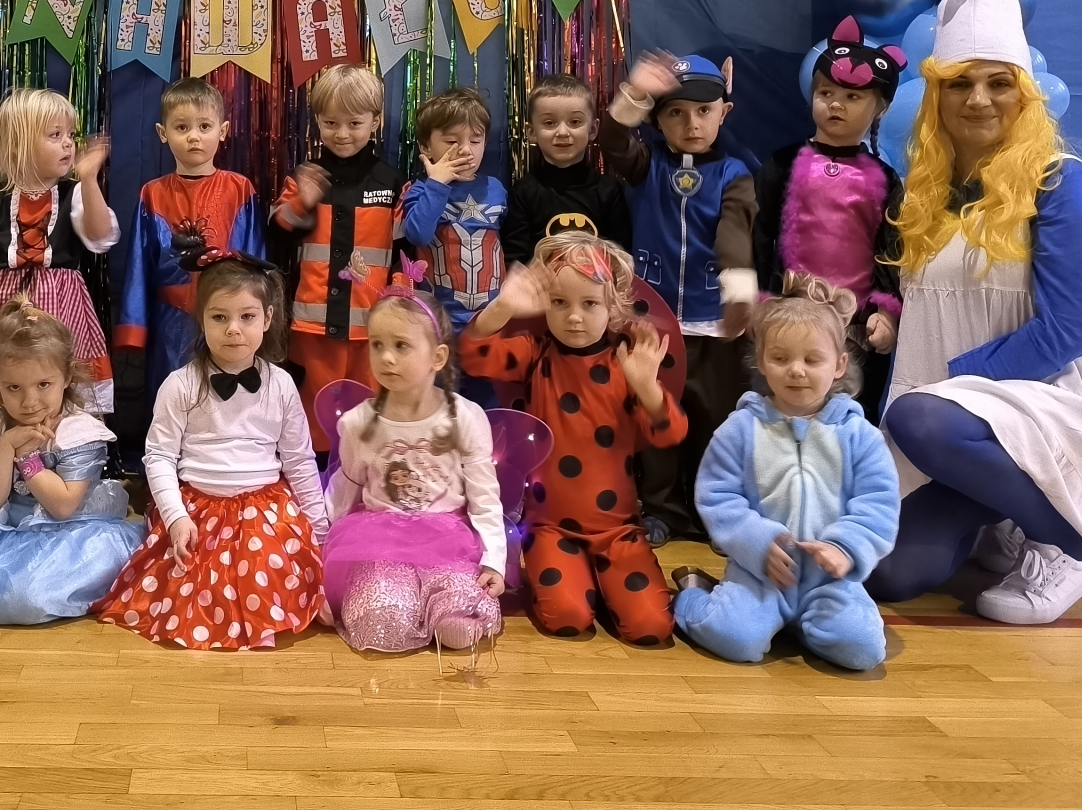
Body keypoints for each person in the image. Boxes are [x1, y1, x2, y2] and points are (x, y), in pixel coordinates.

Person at [869, 0, 1082, 625]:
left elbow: (1068, 331)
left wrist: (951, 386)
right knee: (890, 574)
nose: (978, 99)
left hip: (1054, 406)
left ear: (1025, 94)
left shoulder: (1064, 187)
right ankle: (1002, 513)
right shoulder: (926, 194)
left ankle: (1068, 545)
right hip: (958, 421)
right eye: (959, 83)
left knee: (918, 417)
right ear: (936, 95)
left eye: (998, 83)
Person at [93, 253, 327, 650]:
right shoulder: (180, 385)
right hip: (197, 509)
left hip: (266, 509)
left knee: (266, 568)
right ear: (200, 319)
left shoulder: (282, 385)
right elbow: (159, 457)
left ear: (268, 318)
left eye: (247, 317)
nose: (233, 329)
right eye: (219, 317)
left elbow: (300, 460)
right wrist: (176, 518)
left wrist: (320, 531)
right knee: (188, 582)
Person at [672, 275, 899, 671]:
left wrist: (846, 548)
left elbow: (879, 504)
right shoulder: (740, 429)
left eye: (812, 360)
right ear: (761, 362)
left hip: (830, 582)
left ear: (839, 365)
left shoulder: (859, 435)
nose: (796, 371)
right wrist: (757, 542)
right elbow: (716, 496)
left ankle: (805, 624)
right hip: (760, 575)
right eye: (781, 358)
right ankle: (692, 594)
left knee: (862, 649)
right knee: (736, 639)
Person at [463, 232, 681, 644]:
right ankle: (587, 585)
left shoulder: (625, 365)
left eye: (590, 304)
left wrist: (647, 389)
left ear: (613, 307)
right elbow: (473, 355)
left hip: (618, 530)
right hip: (550, 528)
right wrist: (504, 306)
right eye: (559, 302)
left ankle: (605, 586)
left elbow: (669, 433)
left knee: (651, 628)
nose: (574, 317)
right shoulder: (535, 354)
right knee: (566, 618)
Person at [600, 51, 758, 543]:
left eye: (704, 111)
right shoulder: (647, 163)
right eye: (676, 112)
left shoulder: (734, 173)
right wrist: (635, 95)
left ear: (724, 113)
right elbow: (611, 140)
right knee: (655, 419)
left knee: (716, 423)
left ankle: (716, 512)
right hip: (654, 323)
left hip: (716, 323)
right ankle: (662, 511)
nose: (692, 124)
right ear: (657, 119)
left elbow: (735, 233)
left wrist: (739, 295)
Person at [323, 266, 505, 654]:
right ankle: (401, 606)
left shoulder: (464, 417)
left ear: (437, 357)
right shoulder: (359, 423)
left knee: (462, 625)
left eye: (401, 346)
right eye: (376, 344)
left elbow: (485, 498)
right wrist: (319, 553)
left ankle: (442, 608)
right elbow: (345, 489)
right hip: (380, 542)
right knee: (379, 621)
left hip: (449, 544)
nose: (386, 357)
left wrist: (494, 561)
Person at [0, 297, 146, 624]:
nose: (29, 401)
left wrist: (27, 458)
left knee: (25, 598)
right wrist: (6, 446)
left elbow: (63, 506)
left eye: (43, 385)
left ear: (66, 377)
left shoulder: (79, 431)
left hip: (68, 535)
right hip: (3, 527)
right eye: (13, 387)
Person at [753, 19, 906, 420]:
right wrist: (758, 299)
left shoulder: (884, 179)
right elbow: (760, 234)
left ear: (881, 107)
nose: (836, 104)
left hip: (854, 327)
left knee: (850, 419)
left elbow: (891, 251)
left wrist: (886, 312)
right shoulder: (783, 164)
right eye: (826, 93)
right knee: (780, 414)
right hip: (789, 318)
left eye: (853, 96)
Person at [113, 77, 265, 468]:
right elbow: (138, 265)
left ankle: (222, 472)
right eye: (182, 127)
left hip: (227, 316)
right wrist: (134, 331)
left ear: (223, 131)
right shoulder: (153, 193)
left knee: (226, 397)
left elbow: (255, 262)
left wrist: (257, 317)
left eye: (204, 126)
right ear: (163, 133)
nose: (194, 136)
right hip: (171, 322)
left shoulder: (240, 189)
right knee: (171, 400)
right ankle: (166, 476)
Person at [0, 89, 117, 410]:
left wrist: (89, 180)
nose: (68, 143)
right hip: (5, 310)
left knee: (60, 386)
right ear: (19, 144)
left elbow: (101, 237)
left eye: (70, 135)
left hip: (62, 309)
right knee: (6, 386)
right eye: (55, 135)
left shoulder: (74, 193)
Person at [273, 64, 403, 448]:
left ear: (375, 121)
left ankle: (366, 477)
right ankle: (314, 477)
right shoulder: (303, 177)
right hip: (312, 328)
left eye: (354, 123)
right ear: (317, 121)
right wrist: (302, 202)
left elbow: (406, 250)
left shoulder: (392, 181)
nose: (342, 133)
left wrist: (400, 294)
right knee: (313, 418)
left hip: (372, 327)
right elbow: (276, 235)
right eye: (330, 123)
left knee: (371, 417)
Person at [396, 88, 509, 408]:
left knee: (487, 406)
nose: (465, 150)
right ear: (425, 147)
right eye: (451, 141)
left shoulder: (496, 189)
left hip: (487, 323)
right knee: (440, 404)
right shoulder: (420, 190)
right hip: (439, 323)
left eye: (475, 140)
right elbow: (418, 234)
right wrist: (437, 184)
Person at [501, 76, 633, 261]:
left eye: (575, 122)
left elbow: (621, 256)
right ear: (531, 132)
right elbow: (515, 259)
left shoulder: (610, 191)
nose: (562, 132)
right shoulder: (523, 192)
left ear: (593, 129)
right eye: (549, 123)